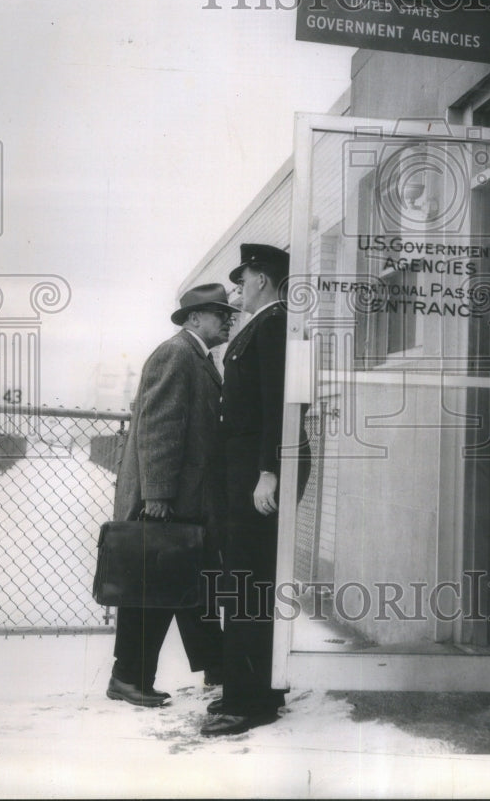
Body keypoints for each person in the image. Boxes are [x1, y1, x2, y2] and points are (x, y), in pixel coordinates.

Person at [107, 283, 239, 707]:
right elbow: (159, 427)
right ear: (195, 318)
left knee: (187, 584)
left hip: (186, 501)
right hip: (167, 503)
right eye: (220, 314)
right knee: (152, 590)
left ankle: (217, 665)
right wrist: (158, 495)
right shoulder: (178, 353)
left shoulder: (197, 357)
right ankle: (127, 678)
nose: (227, 320)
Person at [201, 243, 310, 736]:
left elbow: (283, 407)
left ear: (262, 278)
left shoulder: (277, 324)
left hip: (258, 473)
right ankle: (255, 689)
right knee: (249, 580)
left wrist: (269, 470)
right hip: (246, 471)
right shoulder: (262, 326)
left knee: (249, 582)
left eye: (241, 278)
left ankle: (250, 703)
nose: (236, 287)